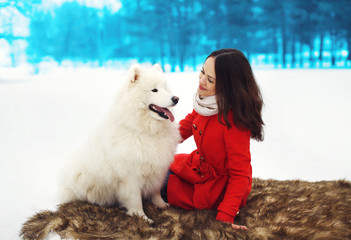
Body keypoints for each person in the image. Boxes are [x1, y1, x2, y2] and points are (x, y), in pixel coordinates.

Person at [161, 48, 264, 230]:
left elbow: (240, 174)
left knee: (155, 183)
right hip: (197, 167)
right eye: (202, 72)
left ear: (228, 87)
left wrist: (226, 215)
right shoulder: (207, 102)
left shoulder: (234, 122)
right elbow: (189, 123)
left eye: (210, 80)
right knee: (152, 168)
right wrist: (156, 141)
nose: (201, 81)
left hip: (215, 188)